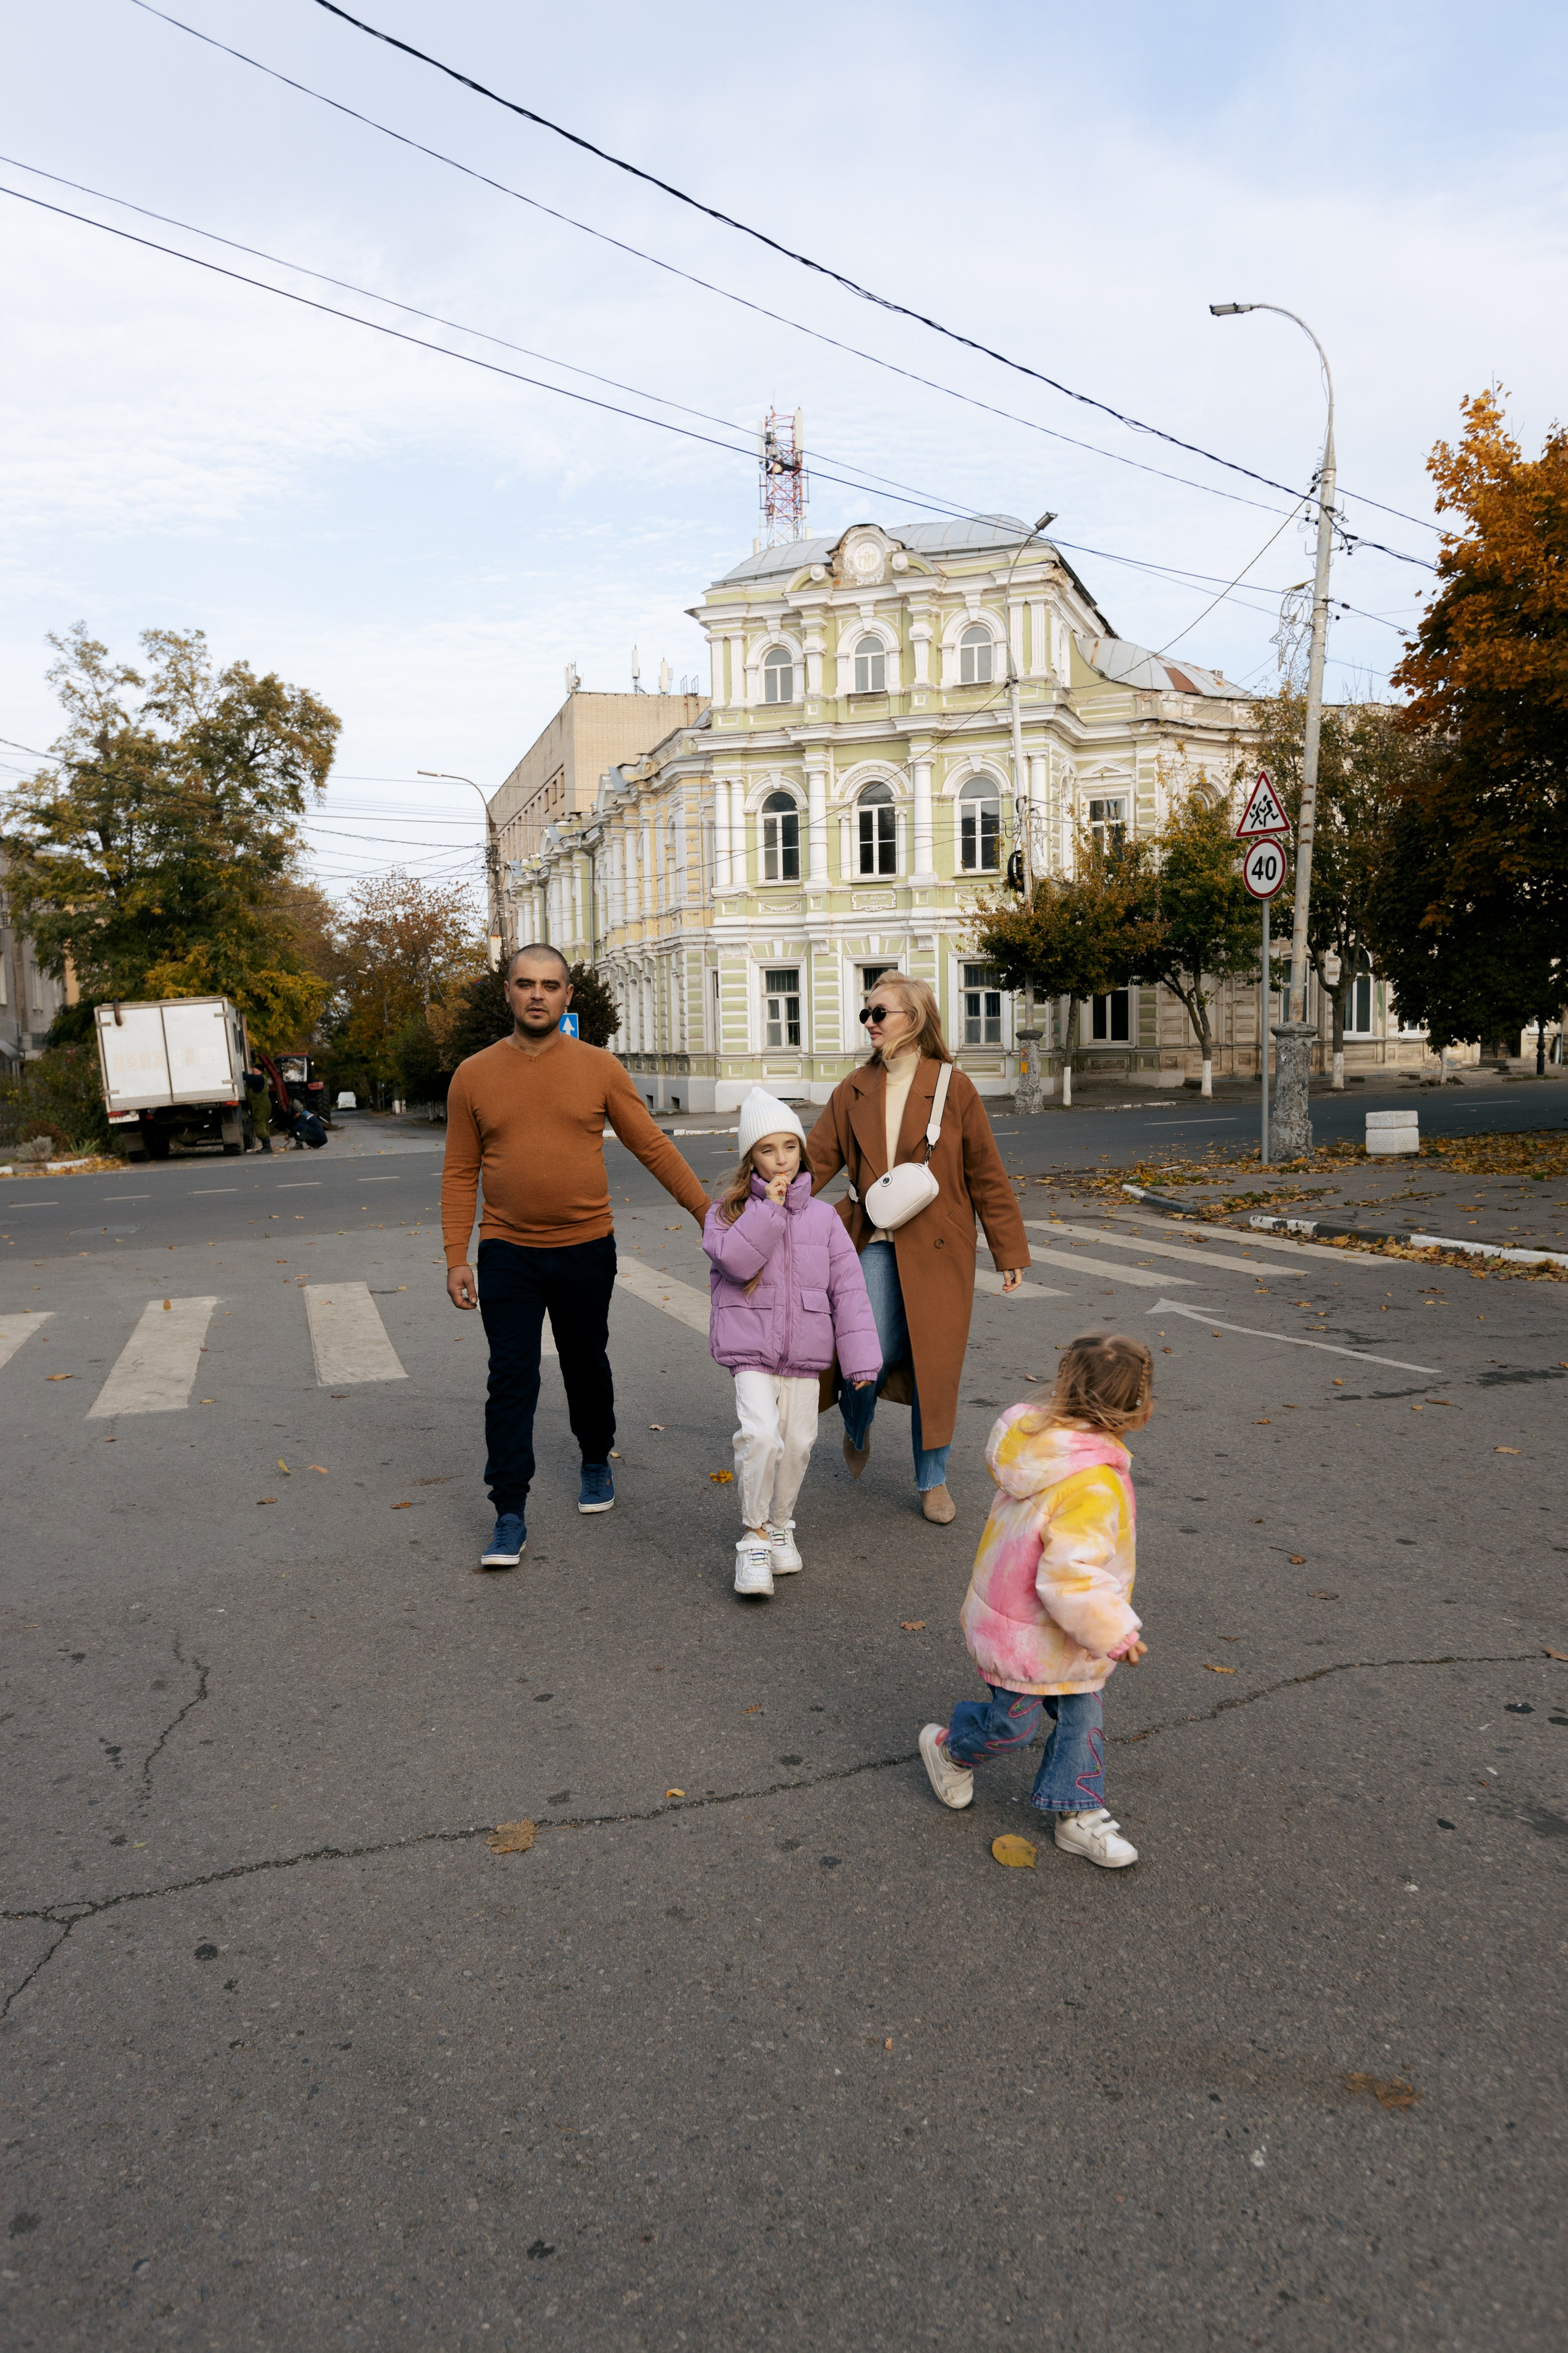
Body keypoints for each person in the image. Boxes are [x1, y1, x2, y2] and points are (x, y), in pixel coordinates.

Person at [442, 943, 711, 1566]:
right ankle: (508, 1510)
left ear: (568, 997)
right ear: (507, 992)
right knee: (511, 1378)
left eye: (551, 985)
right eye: (526, 983)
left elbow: (651, 1145)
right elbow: (460, 1173)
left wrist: (706, 1212)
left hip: (587, 1245)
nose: (538, 994)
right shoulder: (473, 1075)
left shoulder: (598, 1068)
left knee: (586, 1363)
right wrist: (457, 1254)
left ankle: (596, 1457)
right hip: (506, 1249)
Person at [918, 1334, 1153, 1869]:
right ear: (1137, 1410)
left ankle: (1078, 1810)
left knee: (1082, 1718)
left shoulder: (1036, 1444)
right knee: (1012, 1723)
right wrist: (1116, 1631)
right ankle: (951, 1750)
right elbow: (1071, 1575)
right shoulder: (1094, 1480)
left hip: (1040, 1625)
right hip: (1033, 1630)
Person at [805, 973, 1028, 1524]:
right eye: (866, 1014)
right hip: (874, 1241)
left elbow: (987, 1175)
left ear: (915, 1018)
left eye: (880, 1013)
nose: (870, 1023)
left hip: (939, 1244)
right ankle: (858, 1424)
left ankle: (933, 1478)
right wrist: (759, 1204)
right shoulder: (853, 1088)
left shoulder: (954, 1086)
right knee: (864, 1355)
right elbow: (810, 1164)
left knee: (936, 1365)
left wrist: (1010, 1250)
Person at [703, 1089, 881, 1600]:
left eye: (789, 1147)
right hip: (750, 1350)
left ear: (802, 1151)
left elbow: (848, 1290)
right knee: (761, 1435)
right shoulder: (728, 1213)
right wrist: (771, 1211)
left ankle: (781, 1524)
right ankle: (754, 1536)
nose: (781, 1159)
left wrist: (862, 1360)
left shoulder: (825, 1220)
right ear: (750, 1157)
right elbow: (736, 1262)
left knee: (799, 1444)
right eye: (767, 1149)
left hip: (804, 1353)